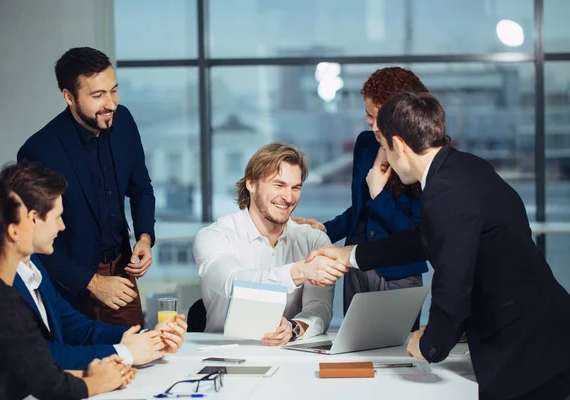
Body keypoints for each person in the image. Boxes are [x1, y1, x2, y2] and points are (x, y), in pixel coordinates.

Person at [308, 92, 570, 400]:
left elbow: (453, 280)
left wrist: (431, 343)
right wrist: (350, 254)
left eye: (386, 148)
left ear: (400, 146)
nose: (386, 159)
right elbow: (425, 241)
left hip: (526, 348)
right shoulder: (464, 167)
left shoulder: (443, 193)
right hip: (545, 329)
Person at [0, 162, 187, 370]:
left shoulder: (34, 266)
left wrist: (149, 338)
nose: (62, 227)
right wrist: (125, 353)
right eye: (57, 217)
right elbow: (44, 355)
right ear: (33, 219)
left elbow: (79, 328)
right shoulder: (1, 283)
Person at [17, 47, 156, 328]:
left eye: (113, 91)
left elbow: (141, 188)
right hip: (68, 285)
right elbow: (31, 238)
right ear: (69, 97)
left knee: (138, 358)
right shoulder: (38, 151)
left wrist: (144, 237)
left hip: (121, 270)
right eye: (97, 96)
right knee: (81, 365)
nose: (111, 104)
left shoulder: (124, 121)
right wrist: (92, 282)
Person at [0, 177, 136, 400]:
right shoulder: (1, 303)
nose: (34, 221)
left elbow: (23, 373)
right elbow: (48, 386)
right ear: (13, 232)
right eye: (27, 216)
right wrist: (99, 381)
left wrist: (89, 373)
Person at [293, 67, 428, 322]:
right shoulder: (365, 144)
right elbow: (361, 210)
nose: (373, 124)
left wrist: (379, 195)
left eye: (380, 117)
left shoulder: (420, 156)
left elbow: (417, 234)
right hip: (355, 266)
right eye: (368, 115)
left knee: (396, 356)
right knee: (354, 348)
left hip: (398, 272)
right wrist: (326, 230)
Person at [193, 143, 348, 345]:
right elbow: (234, 284)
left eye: (296, 187)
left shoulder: (314, 239)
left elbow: (319, 307)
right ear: (251, 183)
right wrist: (299, 271)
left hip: (288, 353)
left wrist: (295, 327)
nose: (288, 197)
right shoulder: (214, 236)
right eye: (279, 185)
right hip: (225, 353)